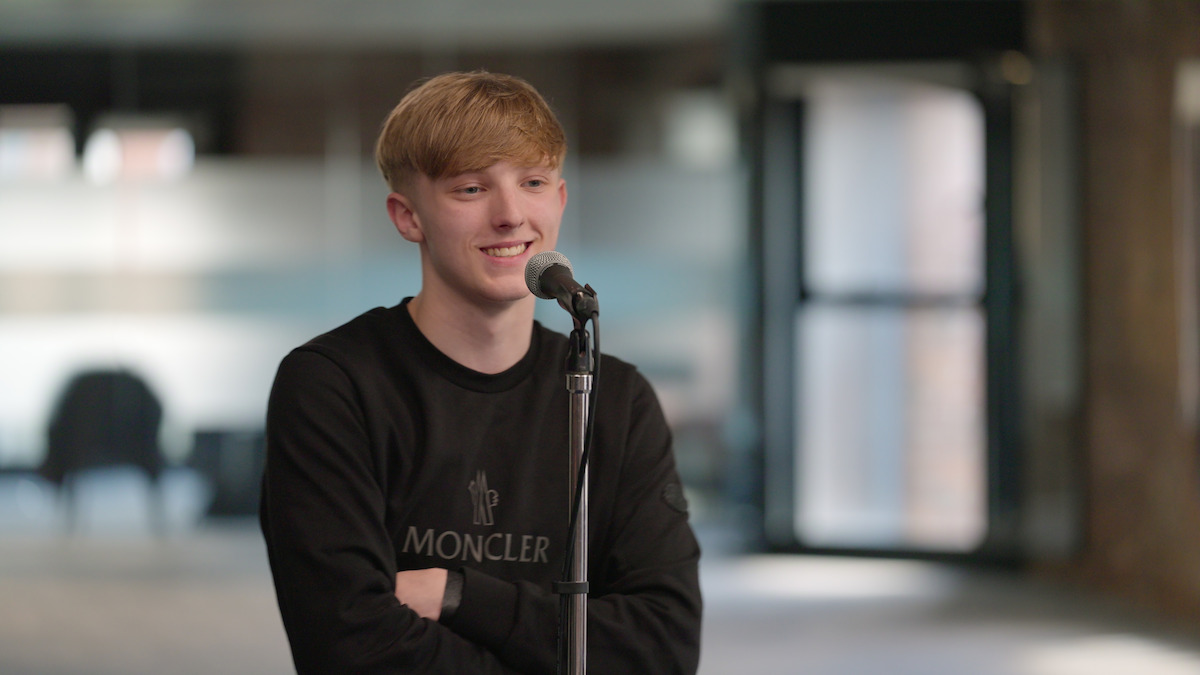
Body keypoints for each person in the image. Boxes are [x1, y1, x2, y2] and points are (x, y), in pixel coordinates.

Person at [259, 70, 703, 674]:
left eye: (533, 182)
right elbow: (350, 647)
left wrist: (457, 593)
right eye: (470, 189)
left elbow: (664, 646)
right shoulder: (333, 387)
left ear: (561, 201)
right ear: (408, 216)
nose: (511, 215)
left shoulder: (615, 398)